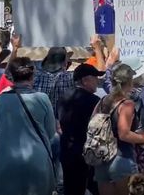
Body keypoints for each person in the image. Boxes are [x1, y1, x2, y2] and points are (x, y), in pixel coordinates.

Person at [0, 57, 56, 195]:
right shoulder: (43, 98)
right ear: (33, 75)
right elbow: (50, 132)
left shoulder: (2, 99)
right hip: (37, 160)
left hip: (7, 161)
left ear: (11, 77)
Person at [94, 62, 144, 195]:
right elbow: (124, 134)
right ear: (130, 81)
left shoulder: (102, 101)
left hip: (101, 160)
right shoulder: (126, 104)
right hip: (121, 159)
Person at [58, 64, 104, 195]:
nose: (97, 81)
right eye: (95, 78)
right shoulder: (94, 101)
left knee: (71, 189)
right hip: (87, 152)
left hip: (67, 149)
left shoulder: (63, 97)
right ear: (85, 80)